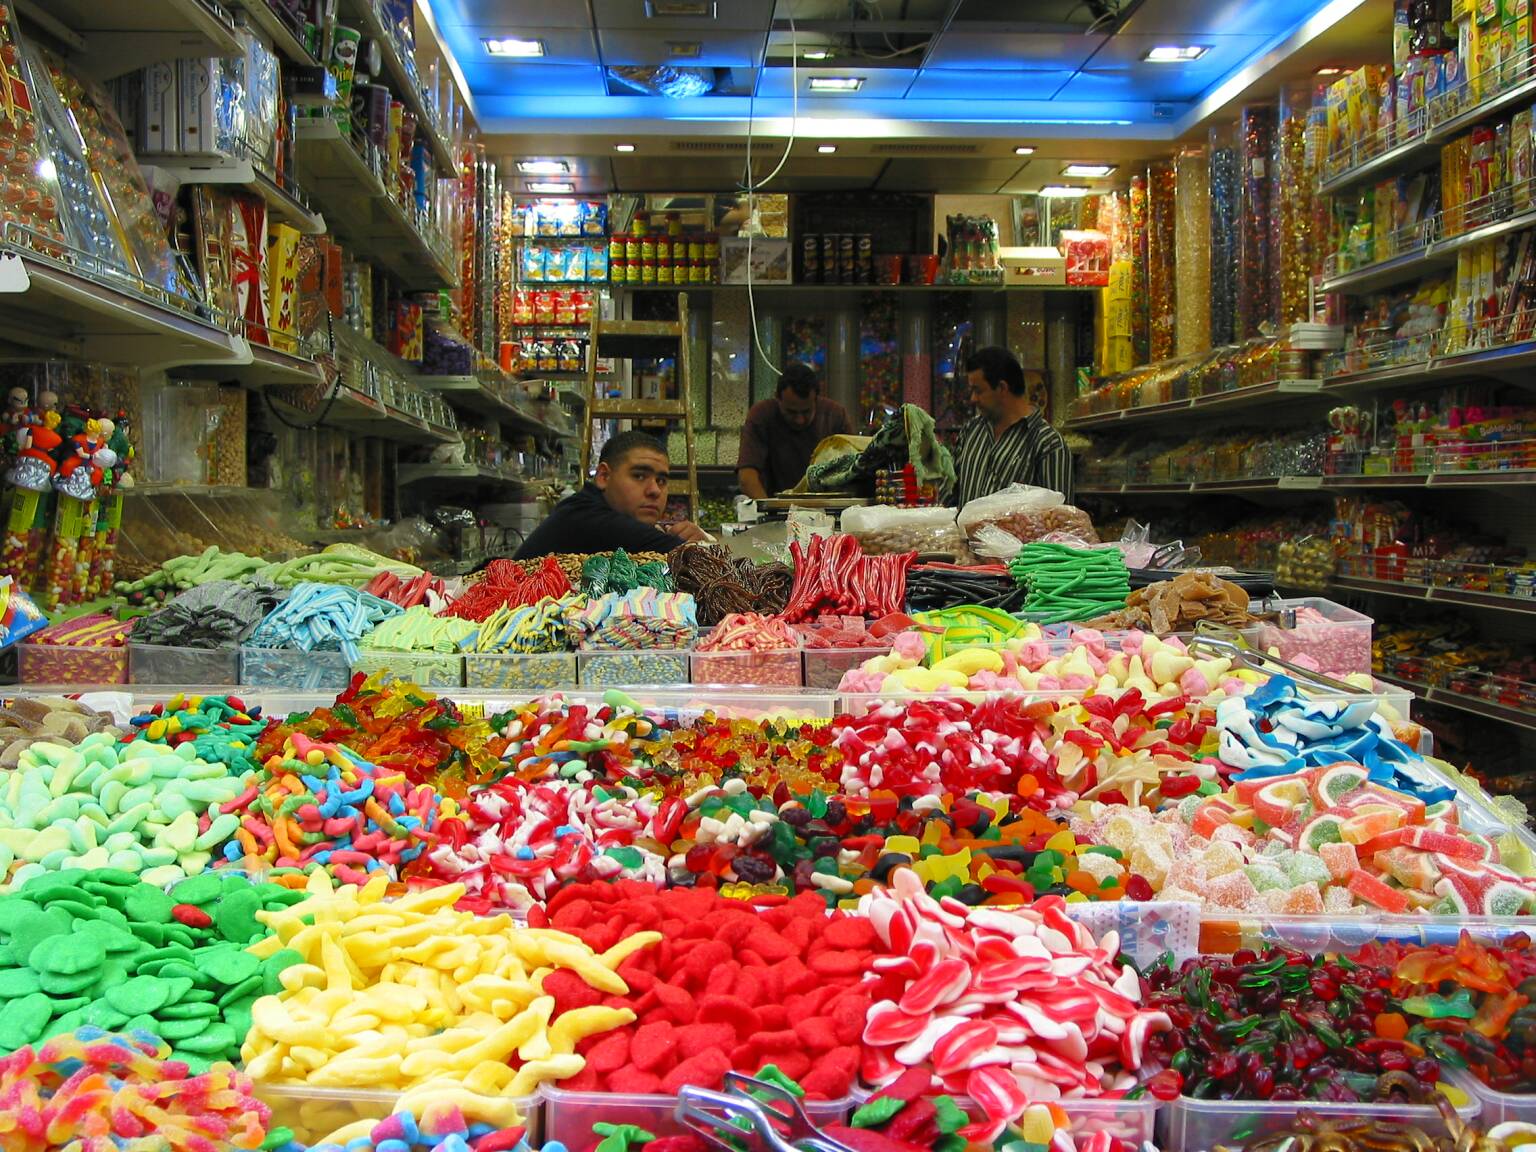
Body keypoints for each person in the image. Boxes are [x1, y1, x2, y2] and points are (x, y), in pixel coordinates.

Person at [514, 430, 708, 559]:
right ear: (603, 476)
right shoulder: (585, 517)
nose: (655, 490)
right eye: (639, 476)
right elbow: (696, 557)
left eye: (661, 481)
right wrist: (700, 545)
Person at [952, 346, 1072, 506]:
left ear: (1002, 388)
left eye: (978, 390)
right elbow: (951, 497)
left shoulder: (1048, 443)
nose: (973, 398)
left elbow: (1058, 515)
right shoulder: (971, 432)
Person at [736, 362, 854, 500]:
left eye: (806, 412)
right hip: (775, 503)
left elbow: (854, 469)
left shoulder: (835, 415)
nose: (800, 420)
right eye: (791, 412)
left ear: (816, 399)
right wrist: (767, 507)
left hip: (827, 505)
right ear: (777, 399)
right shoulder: (762, 415)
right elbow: (747, 477)